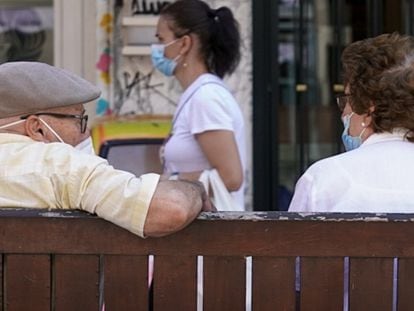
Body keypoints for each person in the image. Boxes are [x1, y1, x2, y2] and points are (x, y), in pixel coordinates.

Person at [0, 61, 214, 238]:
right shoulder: (59, 165)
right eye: (79, 120)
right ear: (37, 128)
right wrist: (195, 188)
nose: (86, 134)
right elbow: (171, 209)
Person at [289, 32, 414, 213]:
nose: (343, 113)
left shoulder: (323, 179)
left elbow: (292, 240)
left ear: (369, 107)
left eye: (347, 99)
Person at [151, 0, 246, 211]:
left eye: (161, 39)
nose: (157, 50)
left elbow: (231, 177)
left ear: (184, 44)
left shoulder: (206, 98)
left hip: (212, 234)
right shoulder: (197, 94)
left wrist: (167, 183)